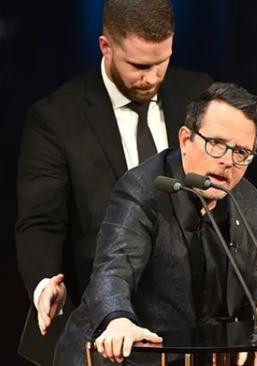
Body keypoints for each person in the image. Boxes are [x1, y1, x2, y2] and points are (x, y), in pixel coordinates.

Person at [54, 82, 257, 365]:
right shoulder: (142, 190)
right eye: (216, 144)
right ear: (185, 140)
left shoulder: (251, 203)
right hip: (122, 354)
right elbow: (113, 269)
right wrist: (117, 318)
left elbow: (251, 268)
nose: (227, 161)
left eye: (242, 152)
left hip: (195, 354)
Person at [15, 0, 212, 363]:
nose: (151, 77)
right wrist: (45, 284)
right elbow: (40, 222)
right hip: (97, 329)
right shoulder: (56, 117)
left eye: (162, 62)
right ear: (106, 46)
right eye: (138, 65)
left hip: (191, 329)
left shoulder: (201, 97)